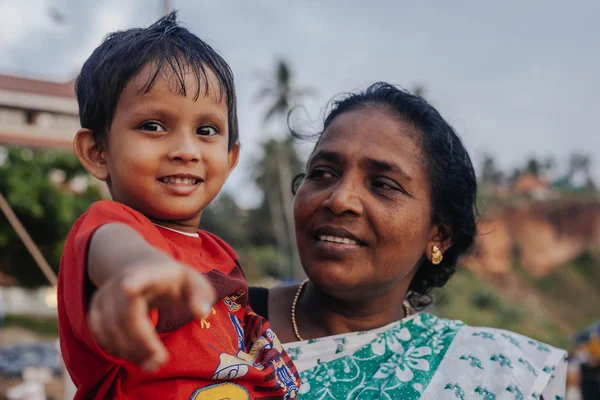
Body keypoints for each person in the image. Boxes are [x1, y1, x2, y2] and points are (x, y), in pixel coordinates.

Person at [250, 83, 567, 399]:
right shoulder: (218, 317)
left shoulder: (497, 373)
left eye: (383, 184)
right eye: (322, 173)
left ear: (439, 235)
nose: (339, 198)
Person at [57, 12, 299, 400]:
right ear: (97, 151)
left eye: (206, 131)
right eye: (153, 126)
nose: (185, 151)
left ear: (231, 157)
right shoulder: (110, 225)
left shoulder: (219, 253)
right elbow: (116, 251)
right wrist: (140, 272)